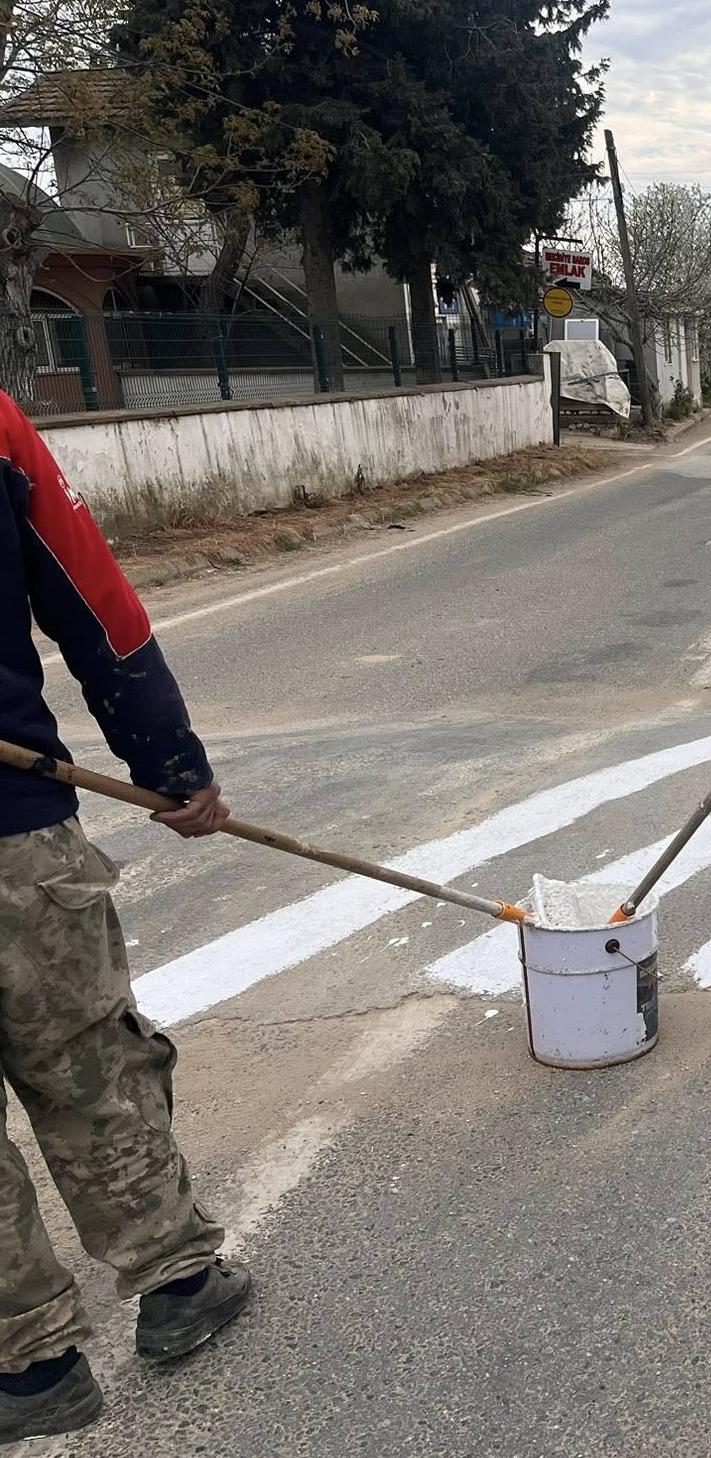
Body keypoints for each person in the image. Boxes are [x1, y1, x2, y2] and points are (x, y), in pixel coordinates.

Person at [0, 392, 251, 1442]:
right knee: (88, 1071)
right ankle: (176, 1284)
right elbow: (97, 604)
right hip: (14, 844)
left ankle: (27, 1369)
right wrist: (171, 764)